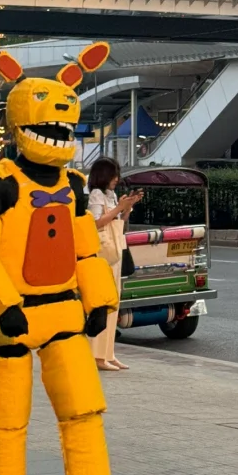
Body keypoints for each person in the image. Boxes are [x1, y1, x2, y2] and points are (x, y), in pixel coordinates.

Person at [86, 157, 141, 371]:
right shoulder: (96, 194)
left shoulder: (111, 195)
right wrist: (118, 208)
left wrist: (127, 207)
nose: (116, 178)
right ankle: (97, 355)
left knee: (114, 302)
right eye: (113, 174)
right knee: (102, 302)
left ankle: (108, 353)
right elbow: (95, 223)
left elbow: (119, 222)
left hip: (115, 251)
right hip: (102, 253)